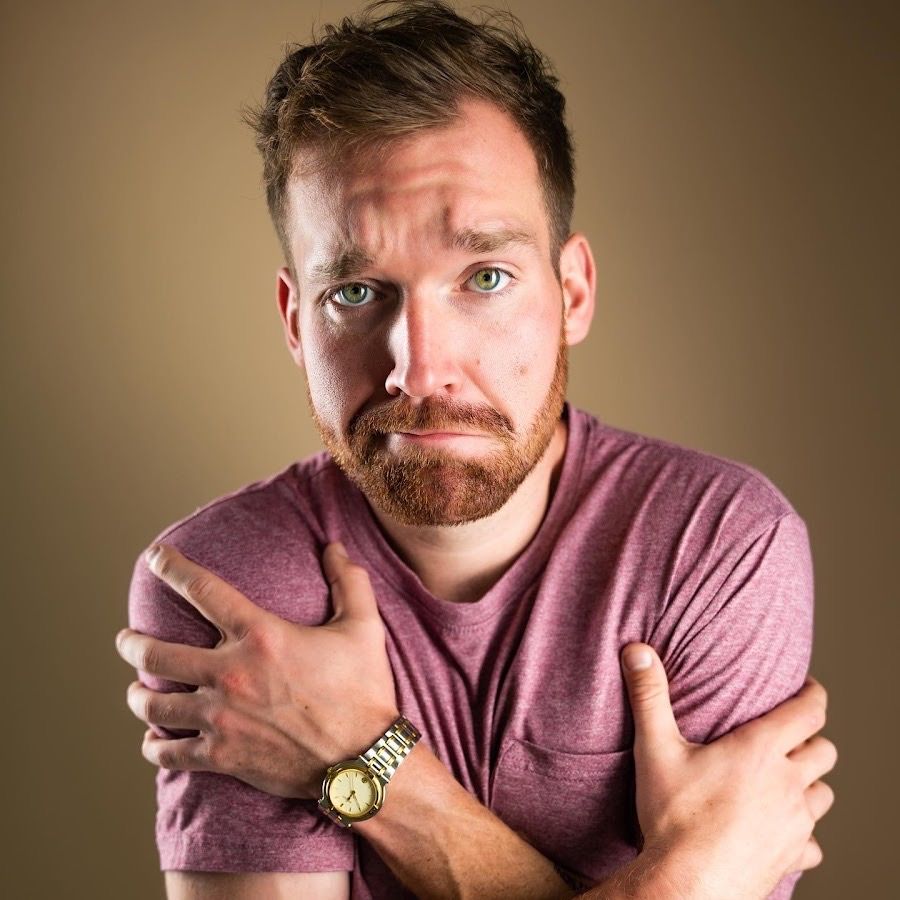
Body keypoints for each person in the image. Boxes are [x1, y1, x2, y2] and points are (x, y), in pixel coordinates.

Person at [117, 2, 836, 898]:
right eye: (356, 292)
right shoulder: (231, 586)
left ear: (572, 294)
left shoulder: (716, 543)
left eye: (485, 277)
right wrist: (688, 879)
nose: (419, 369)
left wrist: (362, 760)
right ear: (296, 322)